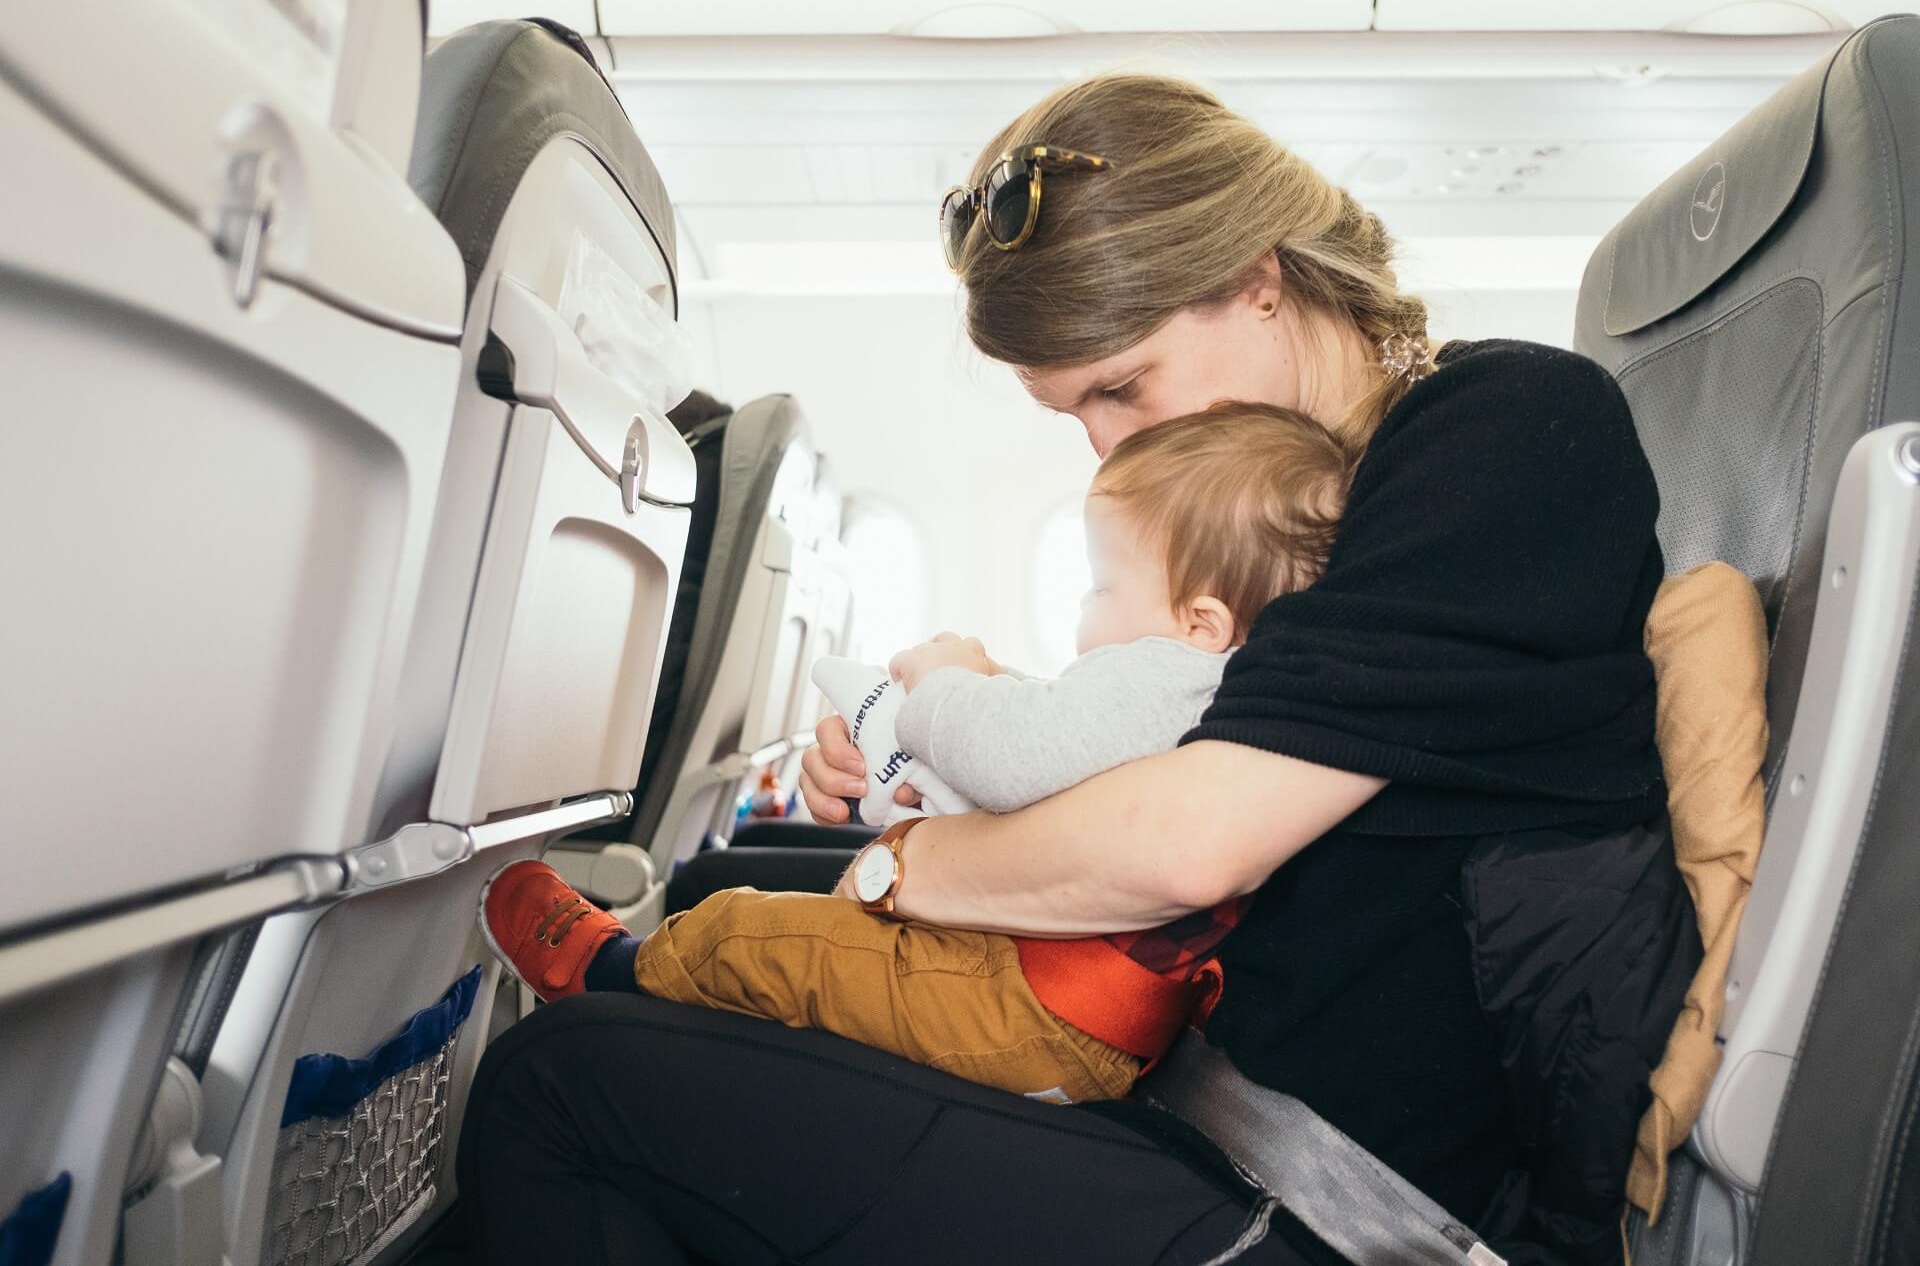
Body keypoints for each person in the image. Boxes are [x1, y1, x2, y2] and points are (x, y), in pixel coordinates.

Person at [457, 72, 1696, 1266]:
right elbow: (1178, 734)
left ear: (1259, 282)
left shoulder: (1506, 432)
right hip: (1175, 1094)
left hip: (1314, 1202)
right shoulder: (1300, 498)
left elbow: (1187, 844)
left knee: (555, 1082)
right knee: (711, 930)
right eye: (1075, 414)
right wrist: (929, 741)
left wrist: (908, 865)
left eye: (1122, 385)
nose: (1108, 443)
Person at [476, 403, 1351, 1105]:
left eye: (1102, 587)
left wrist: (943, 681)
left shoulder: (1169, 672)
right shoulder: (1223, 685)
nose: (1088, 612)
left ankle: (609, 975)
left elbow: (1015, 755)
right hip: (1077, 1014)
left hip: (1034, 1005)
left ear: (1201, 620)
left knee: (753, 930)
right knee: (817, 947)